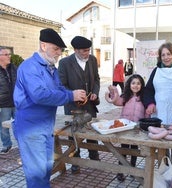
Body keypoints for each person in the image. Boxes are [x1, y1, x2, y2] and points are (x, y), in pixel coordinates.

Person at [13, 28, 87, 188]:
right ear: (43, 45)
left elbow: (60, 89)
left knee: (45, 170)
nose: (59, 53)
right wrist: (70, 96)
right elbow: (39, 95)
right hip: (31, 129)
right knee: (37, 176)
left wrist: (75, 94)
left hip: (45, 127)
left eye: (60, 50)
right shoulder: (29, 67)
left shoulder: (51, 68)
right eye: (56, 49)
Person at [143, 42, 172, 181]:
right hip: (159, 111)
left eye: (168, 54)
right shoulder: (156, 70)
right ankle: (165, 172)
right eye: (163, 55)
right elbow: (148, 90)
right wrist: (150, 103)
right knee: (161, 141)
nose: (166, 57)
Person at [58, 36, 100, 174]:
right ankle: (75, 161)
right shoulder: (64, 63)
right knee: (73, 135)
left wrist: (94, 92)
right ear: (75, 50)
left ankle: (94, 158)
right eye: (83, 51)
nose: (87, 53)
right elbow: (61, 85)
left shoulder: (92, 59)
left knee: (93, 133)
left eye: (88, 50)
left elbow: (97, 79)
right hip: (73, 107)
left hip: (90, 105)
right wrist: (73, 94)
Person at [105, 74, 146, 181]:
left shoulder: (144, 98)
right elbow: (116, 101)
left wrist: (146, 124)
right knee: (123, 149)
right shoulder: (125, 97)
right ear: (129, 85)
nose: (136, 86)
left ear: (142, 85)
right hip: (125, 128)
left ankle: (132, 170)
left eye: (138, 83)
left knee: (134, 149)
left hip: (137, 129)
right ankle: (121, 171)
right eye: (133, 83)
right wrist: (113, 93)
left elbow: (147, 113)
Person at [0, 47, 17, 154]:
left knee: (19, 124)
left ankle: (23, 143)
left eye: (9, 54)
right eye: (6, 54)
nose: (9, 56)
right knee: (3, 126)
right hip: (3, 104)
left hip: (16, 102)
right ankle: (7, 145)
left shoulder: (14, 67)